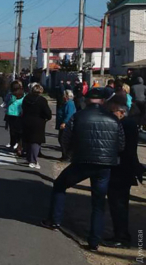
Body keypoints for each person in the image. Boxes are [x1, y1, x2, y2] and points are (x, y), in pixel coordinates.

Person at [41, 88, 125, 252]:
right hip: (104, 165)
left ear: (87, 100)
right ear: (103, 101)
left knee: (59, 185)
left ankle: (54, 220)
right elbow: (121, 145)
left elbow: (66, 138)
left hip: (82, 162)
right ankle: (94, 241)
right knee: (98, 202)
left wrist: (70, 154)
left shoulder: (78, 116)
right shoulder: (113, 119)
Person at [104, 97, 145, 249]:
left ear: (121, 112)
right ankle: (119, 234)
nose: (110, 114)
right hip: (122, 169)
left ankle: (121, 236)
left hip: (122, 171)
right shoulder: (126, 124)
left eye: (112, 111)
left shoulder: (126, 125)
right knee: (117, 205)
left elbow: (123, 149)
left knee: (119, 205)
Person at [22, 83, 52, 169]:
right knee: (36, 142)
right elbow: (47, 112)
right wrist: (47, 117)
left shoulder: (26, 98)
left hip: (27, 120)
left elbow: (23, 109)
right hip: (38, 122)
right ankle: (33, 161)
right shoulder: (42, 100)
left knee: (28, 140)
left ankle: (29, 158)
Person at [5, 81, 25, 154]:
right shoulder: (24, 94)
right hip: (20, 114)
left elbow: (6, 101)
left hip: (11, 114)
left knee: (12, 131)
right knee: (20, 132)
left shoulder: (10, 95)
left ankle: (12, 144)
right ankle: (19, 146)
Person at [56, 89, 76, 161]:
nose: (63, 97)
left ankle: (67, 156)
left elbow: (69, 114)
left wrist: (64, 122)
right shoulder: (66, 103)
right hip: (63, 123)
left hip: (66, 125)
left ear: (67, 96)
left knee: (63, 140)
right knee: (61, 139)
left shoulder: (69, 103)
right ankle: (64, 155)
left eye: (64, 95)